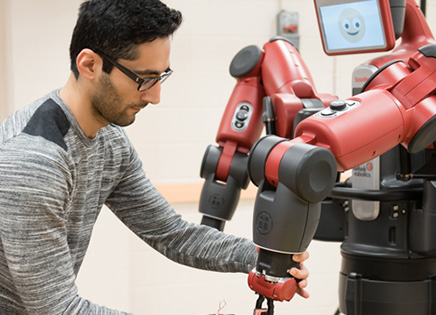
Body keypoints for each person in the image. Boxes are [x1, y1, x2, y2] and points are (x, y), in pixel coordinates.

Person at [0, 0, 309, 313]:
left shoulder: (110, 141)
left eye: (162, 76)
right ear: (89, 65)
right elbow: (58, 310)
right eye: (144, 79)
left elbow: (171, 234)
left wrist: (264, 259)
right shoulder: (34, 159)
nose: (155, 96)